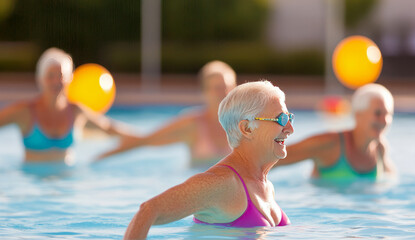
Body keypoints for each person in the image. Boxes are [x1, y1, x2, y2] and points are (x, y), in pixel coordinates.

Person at [123, 81, 293, 239]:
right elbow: (148, 210)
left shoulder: (265, 186)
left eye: (289, 118)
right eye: (281, 119)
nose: (290, 129)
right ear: (247, 128)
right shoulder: (222, 183)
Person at [0, 47, 133, 164]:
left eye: (61, 76)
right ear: (40, 78)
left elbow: (109, 127)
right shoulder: (25, 111)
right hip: (32, 183)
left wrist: (143, 139)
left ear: (69, 79)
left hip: (68, 182)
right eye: (50, 75)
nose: (56, 81)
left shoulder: (76, 111)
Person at [97, 60, 236, 167]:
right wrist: (101, 158)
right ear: (204, 92)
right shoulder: (192, 123)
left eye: (227, 87)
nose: (223, 93)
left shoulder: (244, 124)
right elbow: (146, 140)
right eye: (217, 88)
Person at [276, 83, 396, 180]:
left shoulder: (380, 148)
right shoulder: (329, 144)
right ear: (358, 114)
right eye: (378, 113)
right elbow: (273, 158)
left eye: (388, 114)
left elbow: (392, 179)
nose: (384, 120)